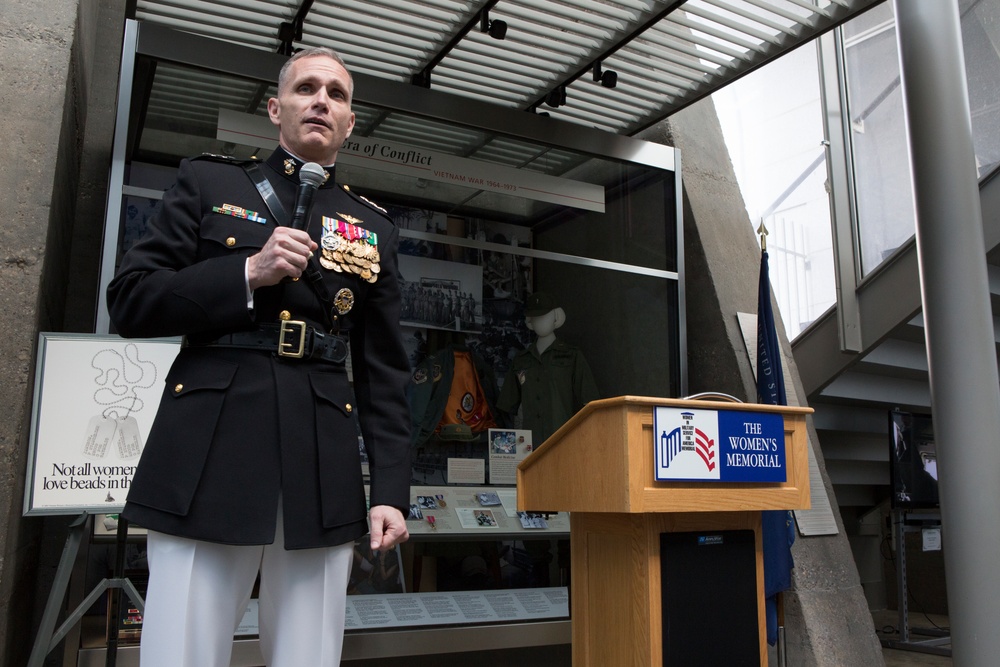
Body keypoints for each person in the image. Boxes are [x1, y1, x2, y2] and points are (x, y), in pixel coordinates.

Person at [106, 47, 411, 666]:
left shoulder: (371, 226)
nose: (322, 100)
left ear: (351, 123)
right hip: (209, 448)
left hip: (321, 462)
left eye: (338, 94)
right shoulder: (209, 183)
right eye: (306, 88)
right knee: (181, 653)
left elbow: (384, 372)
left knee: (308, 656)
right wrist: (245, 272)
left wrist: (390, 491)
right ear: (276, 109)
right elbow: (130, 302)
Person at [497, 292, 599, 443]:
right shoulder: (521, 360)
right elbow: (506, 406)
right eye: (536, 318)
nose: (540, 322)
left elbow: (590, 403)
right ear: (530, 321)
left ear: (556, 317)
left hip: (563, 442)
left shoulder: (572, 356)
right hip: (530, 446)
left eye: (545, 316)